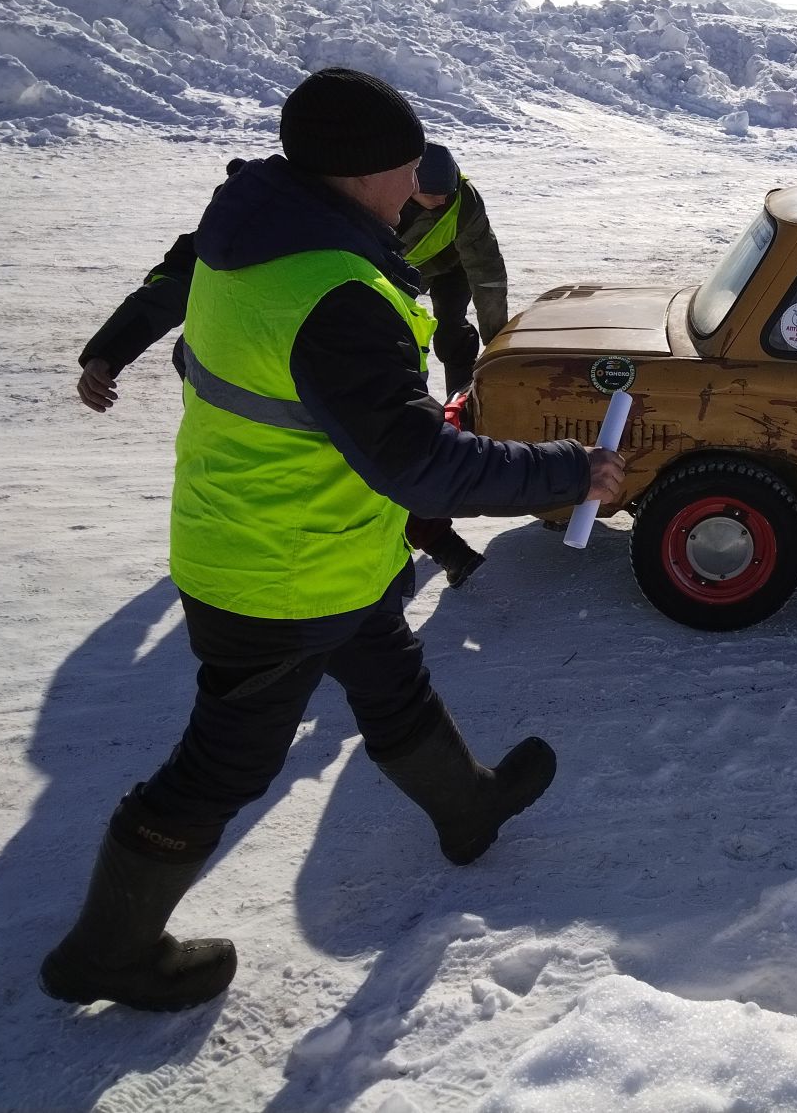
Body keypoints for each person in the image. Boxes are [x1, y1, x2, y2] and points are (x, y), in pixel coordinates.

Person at [40, 68, 627, 1013]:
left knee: (390, 672)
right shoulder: (337, 291)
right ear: (361, 174)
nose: (416, 188)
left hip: (308, 542)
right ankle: (107, 950)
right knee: (225, 762)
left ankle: (467, 809)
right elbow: (420, 464)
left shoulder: (256, 221)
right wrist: (566, 471)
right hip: (276, 573)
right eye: (406, 169)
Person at [76, 160, 491, 590]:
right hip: (243, 387)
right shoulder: (254, 226)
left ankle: (427, 548)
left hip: (304, 376)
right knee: (301, 477)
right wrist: (109, 351)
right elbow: (172, 283)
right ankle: (422, 551)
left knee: (357, 464)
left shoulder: (330, 223)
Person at [397, 142, 508, 398]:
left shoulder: (464, 200)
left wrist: (497, 342)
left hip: (452, 266)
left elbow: (487, 271)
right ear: (410, 183)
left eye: (447, 191)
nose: (443, 199)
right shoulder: (381, 191)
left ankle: (460, 396)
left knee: (451, 331)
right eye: (434, 193)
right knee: (393, 333)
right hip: (396, 272)